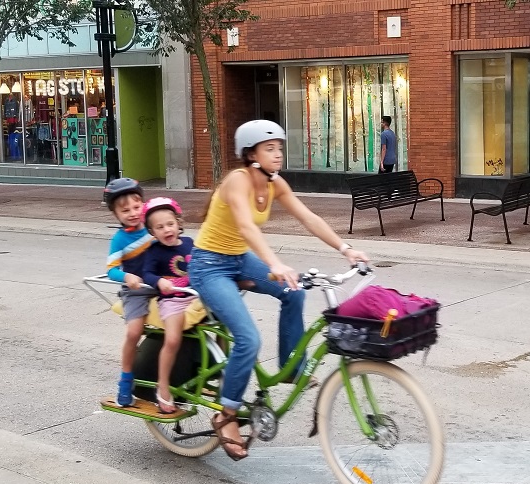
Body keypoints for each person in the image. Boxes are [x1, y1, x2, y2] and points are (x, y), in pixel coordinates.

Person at [187, 119, 369, 461]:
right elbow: (244, 225)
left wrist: (346, 249)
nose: (277, 154)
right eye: (269, 148)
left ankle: (291, 365)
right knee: (248, 340)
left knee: (295, 290)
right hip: (209, 265)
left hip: (239, 259)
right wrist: (274, 263)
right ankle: (225, 415)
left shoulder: (274, 184)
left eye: (280, 148)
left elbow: (309, 218)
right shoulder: (236, 182)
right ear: (251, 153)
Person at [141, 197, 197, 413]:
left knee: (224, 322)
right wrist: (159, 281)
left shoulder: (190, 243)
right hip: (172, 301)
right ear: (152, 232)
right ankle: (162, 386)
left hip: (195, 296)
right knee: (173, 339)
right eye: (160, 227)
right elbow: (147, 273)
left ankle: (219, 372)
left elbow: (201, 264)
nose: (166, 230)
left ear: (179, 223)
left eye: (170, 224)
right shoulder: (154, 251)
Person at [104, 178, 154, 406]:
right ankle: (125, 382)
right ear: (116, 214)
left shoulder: (153, 226)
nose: (133, 213)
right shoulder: (119, 239)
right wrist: (127, 277)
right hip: (136, 292)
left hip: (161, 285)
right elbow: (112, 271)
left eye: (137, 207)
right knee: (134, 332)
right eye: (125, 210)